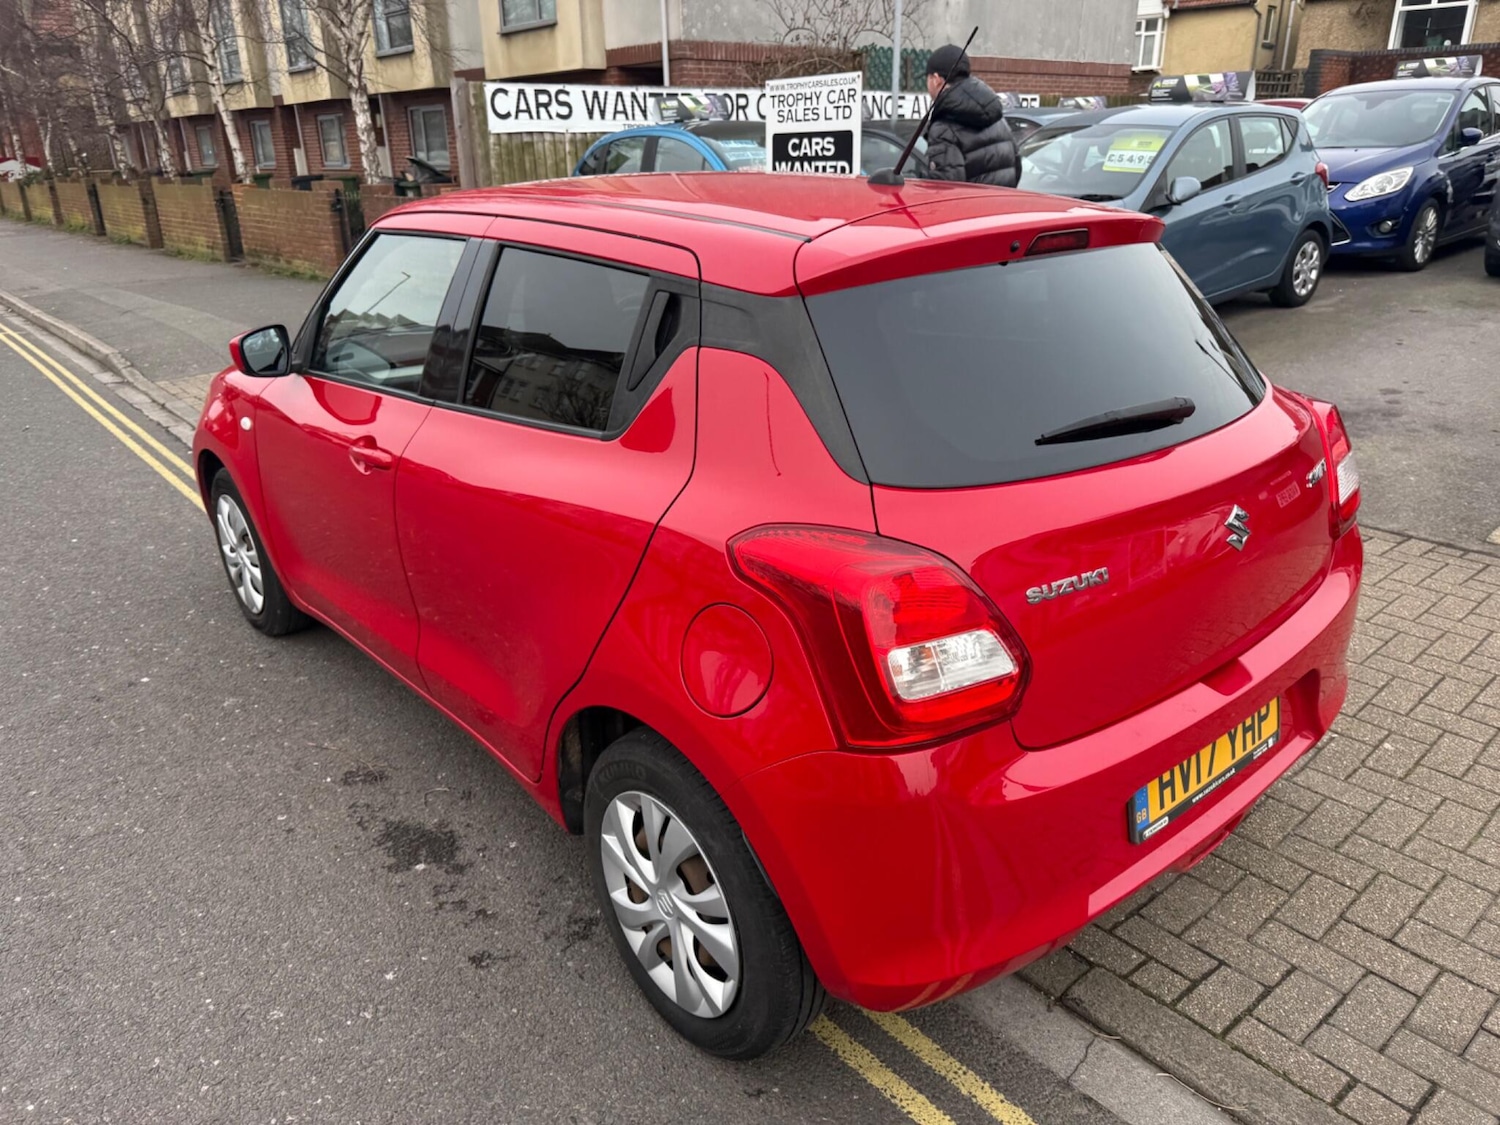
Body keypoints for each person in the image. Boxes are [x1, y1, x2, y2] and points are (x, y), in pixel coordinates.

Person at [922, 45, 1019, 188]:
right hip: (1003, 201)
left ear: (936, 79)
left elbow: (944, 187)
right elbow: (1016, 166)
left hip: (969, 203)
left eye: (928, 78)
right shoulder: (997, 117)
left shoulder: (944, 127)